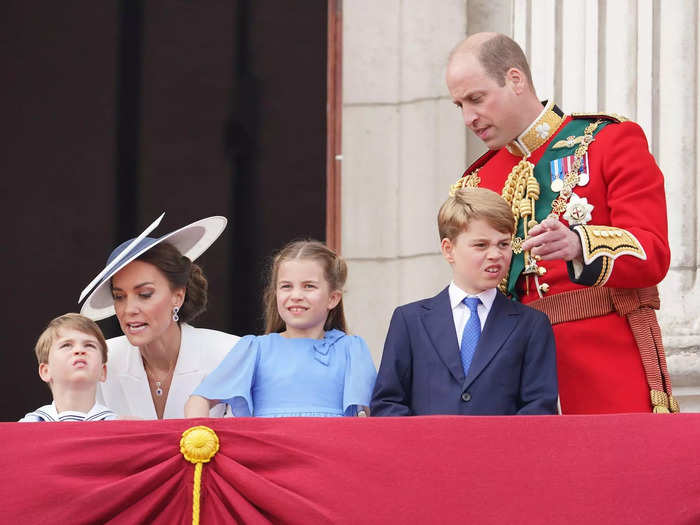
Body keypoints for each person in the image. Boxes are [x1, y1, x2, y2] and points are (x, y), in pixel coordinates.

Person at [445, 32, 676, 414]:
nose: (469, 118)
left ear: (515, 80)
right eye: (459, 105)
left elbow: (653, 252)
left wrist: (580, 245)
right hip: (512, 373)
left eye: (476, 99)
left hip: (602, 362)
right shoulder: (476, 182)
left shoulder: (607, 142)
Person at [371, 188, 558, 416]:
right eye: (481, 245)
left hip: (503, 450)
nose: (495, 254)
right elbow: (388, 403)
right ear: (448, 249)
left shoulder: (531, 324)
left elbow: (538, 406)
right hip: (427, 450)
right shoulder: (410, 320)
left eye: (503, 244)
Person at [185, 240, 376, 418]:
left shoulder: (351, 349)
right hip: (268, 453)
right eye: (286, 286)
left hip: (328, 452)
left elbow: (377, 414)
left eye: (308, 286)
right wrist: (201, 441)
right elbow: (199, 400)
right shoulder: (255, 349)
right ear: (275, 293)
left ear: (333, 298)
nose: (296, 295)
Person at [79, 215, 239, 419]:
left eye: (145, 294)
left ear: (177, 296)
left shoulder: (230, 354)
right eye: (119, 297)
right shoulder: (100, 358)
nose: (129, 310)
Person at [20, 313, 117, 422]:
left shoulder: (121, 427)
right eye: (66, 345)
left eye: (89, 345)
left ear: (102, 372)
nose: (79, 350)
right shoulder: (25, 428)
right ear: (46, 371)